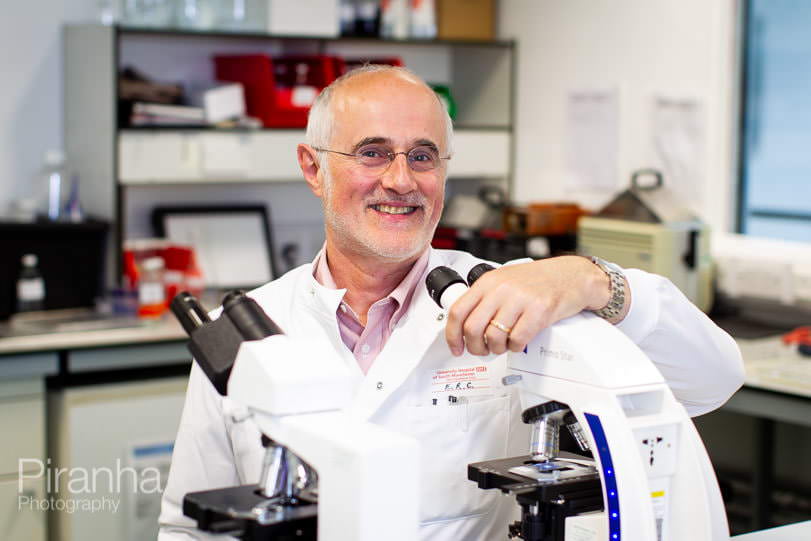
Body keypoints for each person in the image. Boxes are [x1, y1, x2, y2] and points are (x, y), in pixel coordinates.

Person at [158, 65, 744, 540]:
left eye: (422, 156)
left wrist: (589, 278)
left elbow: (712, 378)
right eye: (372, 152)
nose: (401, 180)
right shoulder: (240, 332)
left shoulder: (513, 297)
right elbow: (189, 527)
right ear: (314, 168)